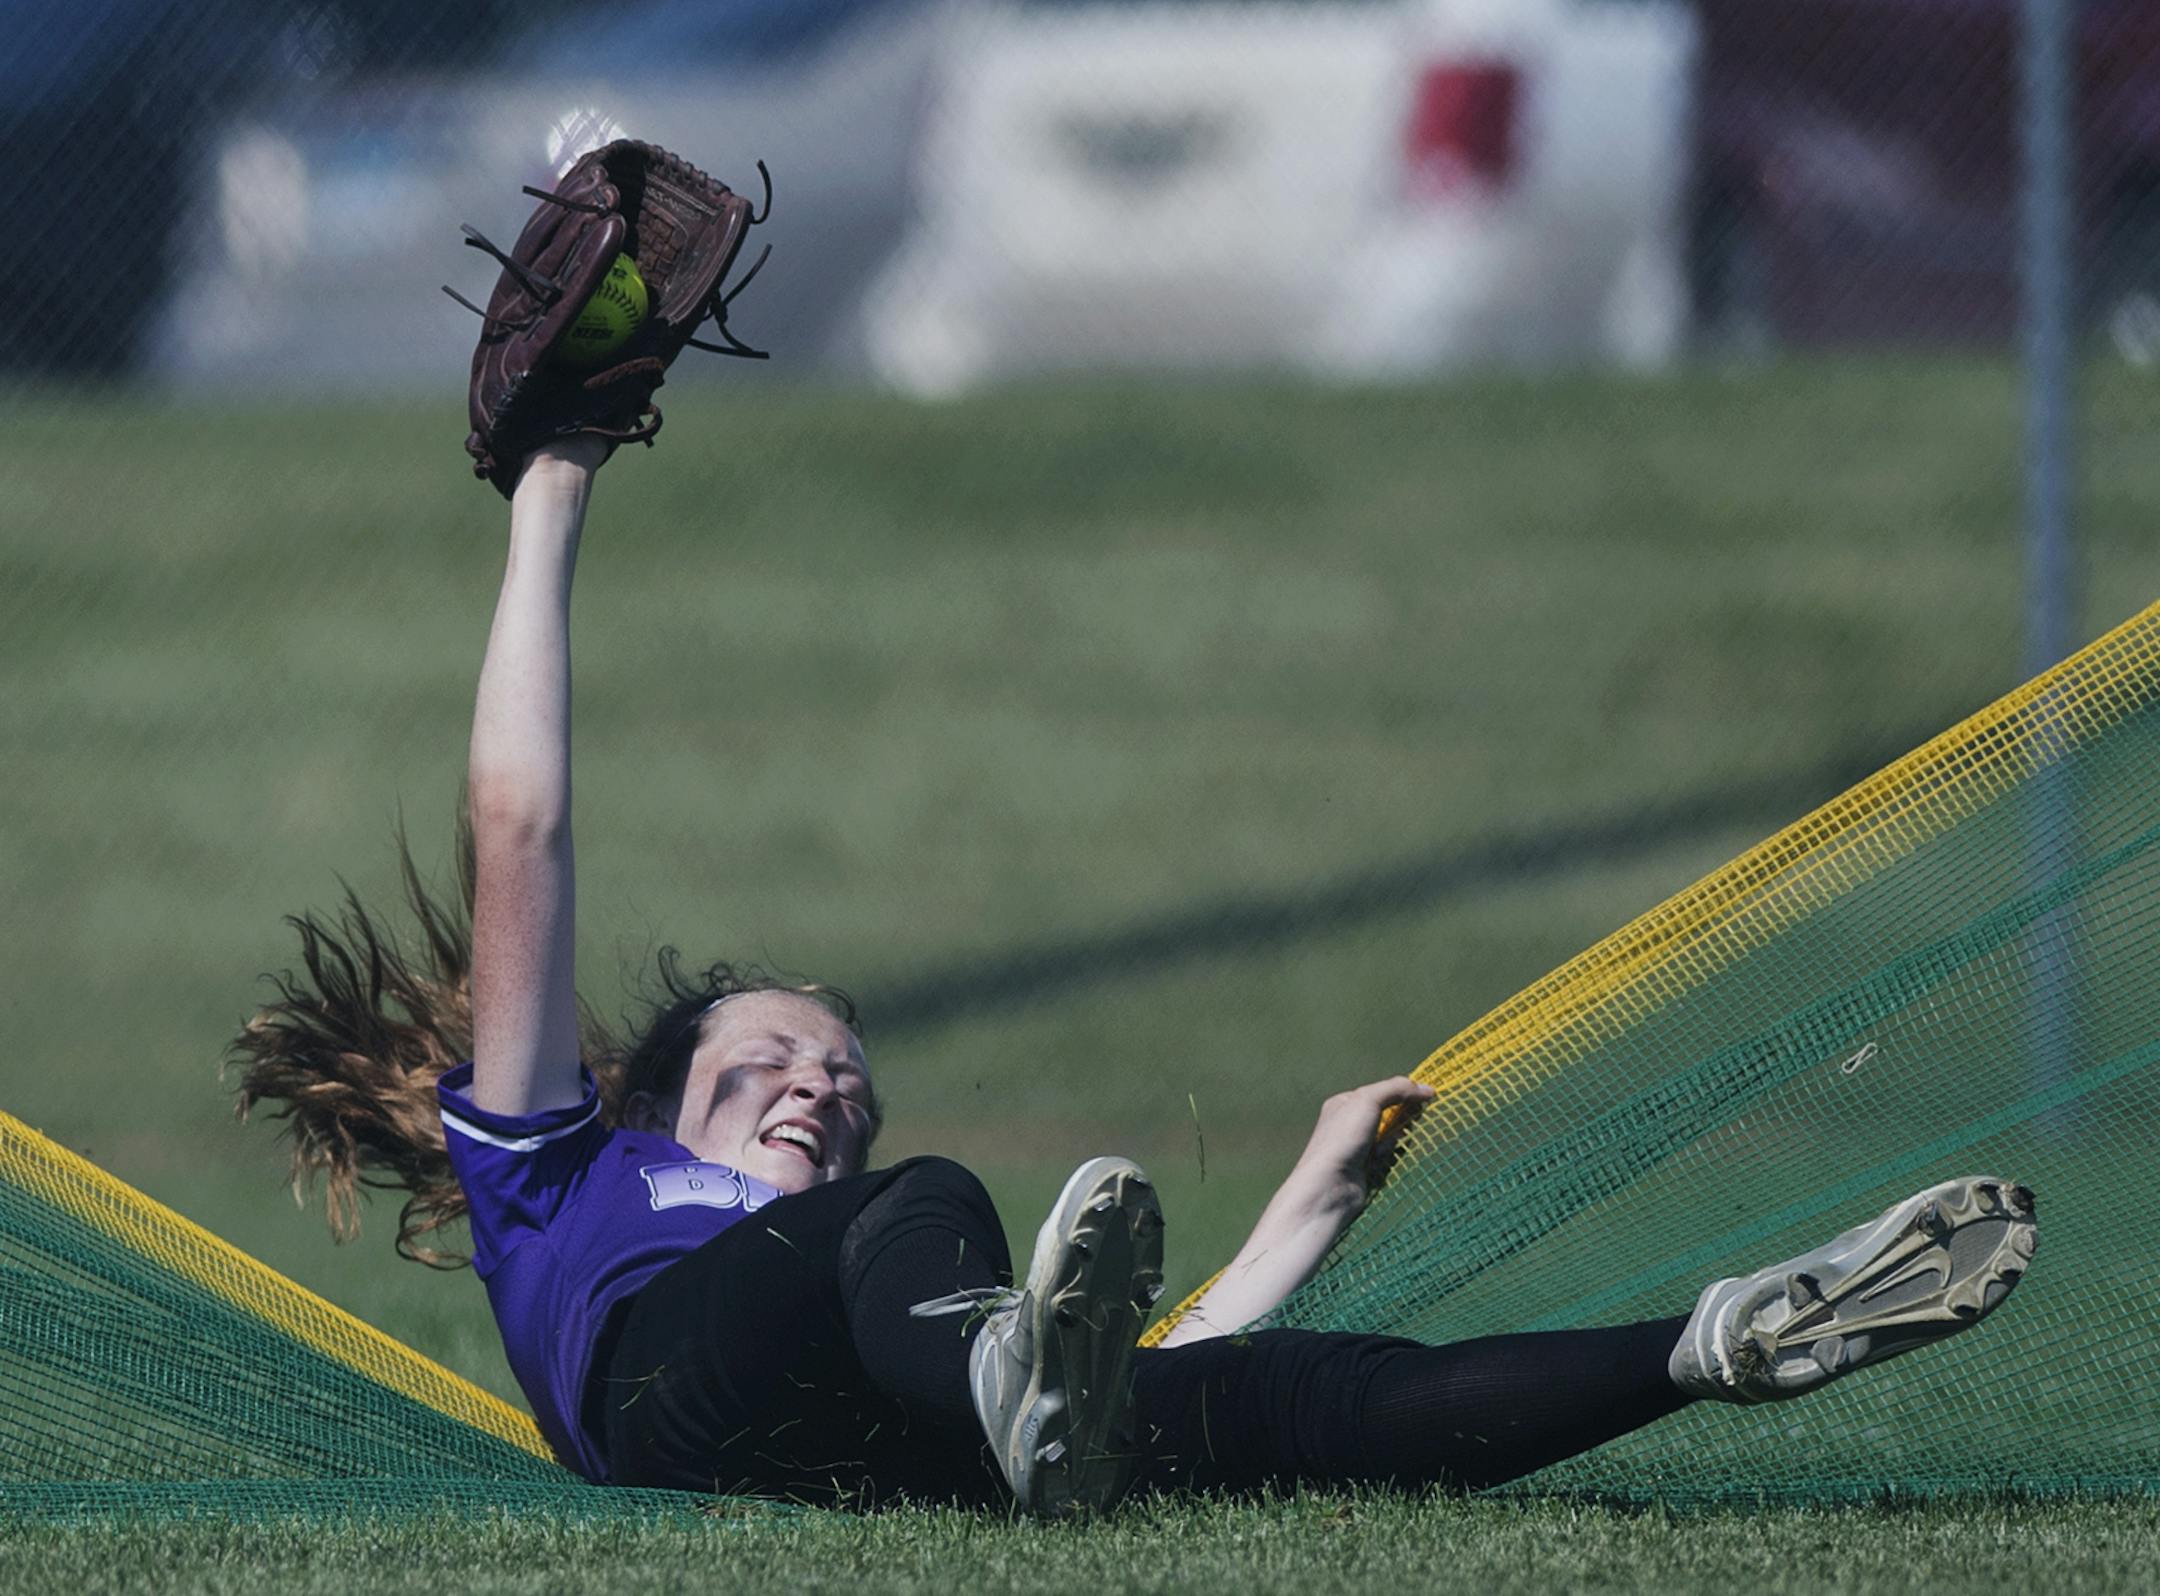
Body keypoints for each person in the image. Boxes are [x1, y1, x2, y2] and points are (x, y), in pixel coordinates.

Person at [234, 435, 2039, 1516]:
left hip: (900, 1433)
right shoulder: (557, 1174)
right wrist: (552, 488)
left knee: (1268, 1409)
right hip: (683, 1400)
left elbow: (1113, 1390)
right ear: (651, 1092)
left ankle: (1718, 1344)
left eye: (847, 1078)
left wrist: (1305, 1213)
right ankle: (1008, 1376)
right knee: (934, 1220)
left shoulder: (899, 1282)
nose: (825, 1084)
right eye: (778, 1055)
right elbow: (520, 830)